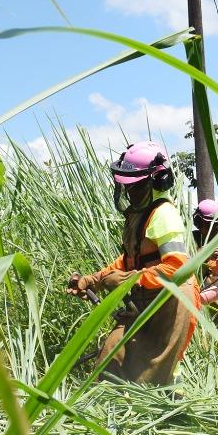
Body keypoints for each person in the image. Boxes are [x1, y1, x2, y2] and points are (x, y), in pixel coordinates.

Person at [67, 141, 200, 385]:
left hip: (171, 302)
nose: (129, 193)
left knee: (154, 374)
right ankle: (108, 410)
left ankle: (173, 410)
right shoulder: (140, 213)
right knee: (111, 357)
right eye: (126, 186)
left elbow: (176, 267)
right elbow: (130, 260)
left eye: (135, 187)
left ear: (157, 182)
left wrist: (130, 280)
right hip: (147, 299)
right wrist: (93, 280)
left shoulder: (164, 215)